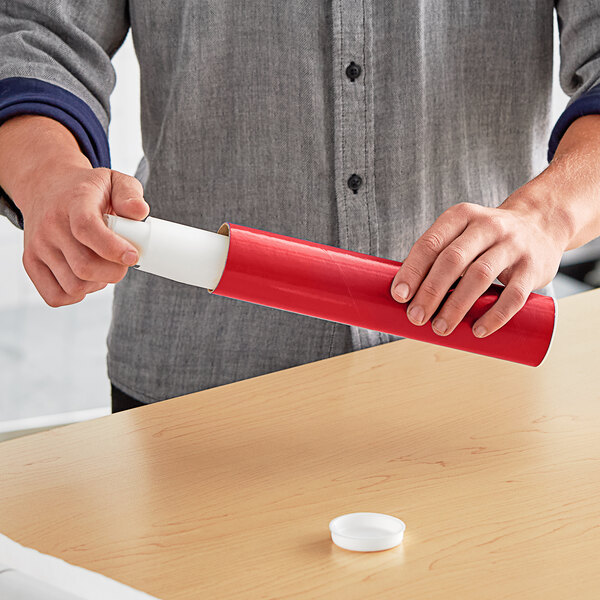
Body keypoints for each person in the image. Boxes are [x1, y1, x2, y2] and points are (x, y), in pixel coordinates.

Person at [1, 3, 599, 412]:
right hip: (198, 388)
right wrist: (49, 174)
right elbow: (34, 33)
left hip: (474, 372)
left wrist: (549, 214)